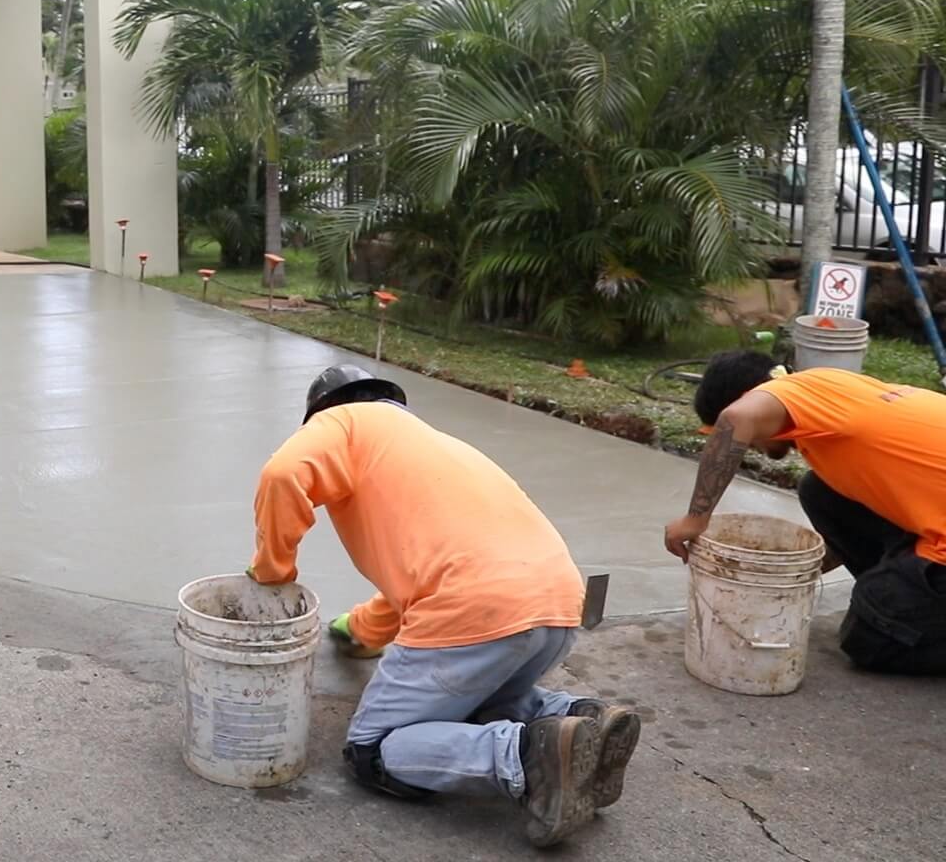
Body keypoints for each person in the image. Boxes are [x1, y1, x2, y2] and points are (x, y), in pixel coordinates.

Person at [248, 364, 639, 847]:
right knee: (476, 698)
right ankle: (582, 719)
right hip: (555, 601)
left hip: (477, 608)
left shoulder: (343, 421)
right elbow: (412, 592)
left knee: (373, 749)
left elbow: (282, 474)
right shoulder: (435, 446)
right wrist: (357, 630)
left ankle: (526, 756)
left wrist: (274, 572)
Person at [665, 353, 946, 674]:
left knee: (870, 636)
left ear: (752, 395)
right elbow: (856, 531)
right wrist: (783, 577)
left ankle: (904, 608)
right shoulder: (829, 392)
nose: (749, 447)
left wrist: (695, 519)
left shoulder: (787, 393)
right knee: (819, 491)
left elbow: (736, 420)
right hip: (932, 528)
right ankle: (910, 596)